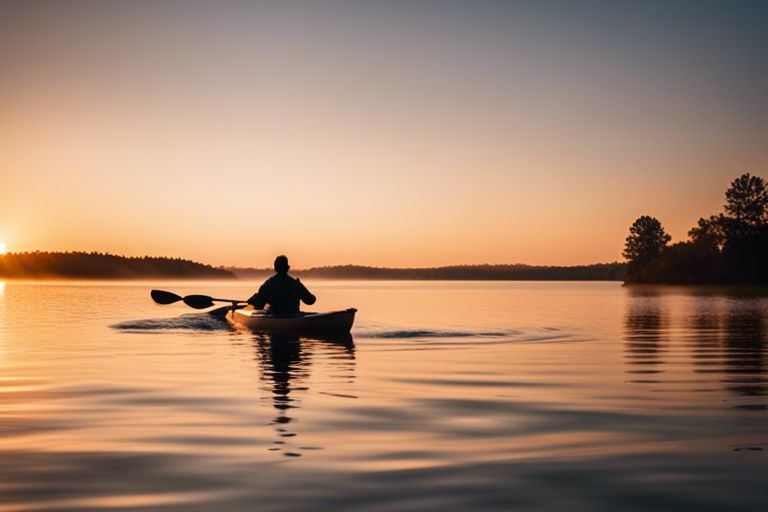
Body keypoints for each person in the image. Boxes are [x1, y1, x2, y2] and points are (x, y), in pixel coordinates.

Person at [247, 255, 316, 314]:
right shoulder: (296, 284)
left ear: (275, 268)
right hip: (293, 316)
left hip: (275, 317)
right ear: (288, 268)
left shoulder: (268, 284)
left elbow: (259, 304)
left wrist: (252, 300)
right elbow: (310, 300)